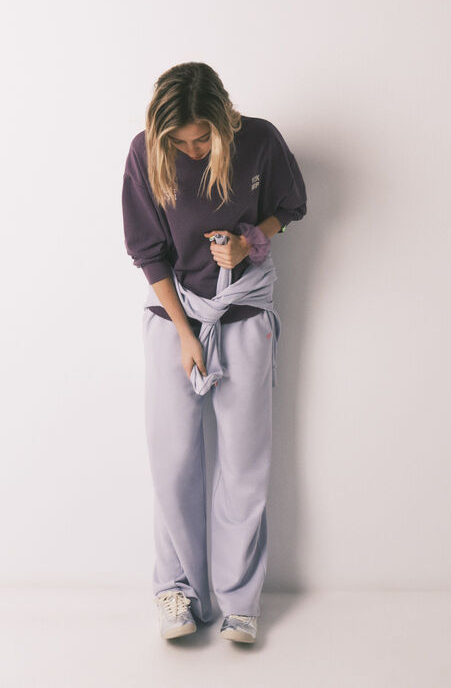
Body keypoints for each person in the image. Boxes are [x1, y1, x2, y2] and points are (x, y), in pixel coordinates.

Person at [121, 62, 307, 643]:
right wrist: (183, 334)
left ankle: (239, 603)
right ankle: (176, 590)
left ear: (224, 119)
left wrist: (252, 239)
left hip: (245, 312)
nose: (193, 150)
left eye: (202, 138)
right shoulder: (145, 152)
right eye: (180, 142)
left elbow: (291, 205)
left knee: (245, 464)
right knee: (174, 459)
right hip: (174, 316)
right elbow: (147, 252)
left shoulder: (261, 140)